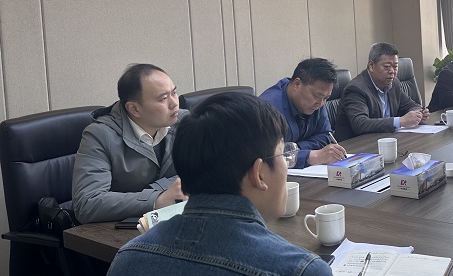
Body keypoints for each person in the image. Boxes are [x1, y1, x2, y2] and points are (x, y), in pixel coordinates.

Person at [108, 93, 332, 276]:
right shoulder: (300, 270)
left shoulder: (128, 258)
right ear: (259, 174)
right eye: (282, 154)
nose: (285, 163)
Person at [72, 64, 189, 224]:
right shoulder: (100, 135)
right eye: (163, 98)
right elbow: (87, 203)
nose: (174, 103)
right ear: (134, 109)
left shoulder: (183, 121)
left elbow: (210, 169)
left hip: (171, 221)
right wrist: (157, 199)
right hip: (118, 231)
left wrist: (161, 192)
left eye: (174, 93)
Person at [259, 58, 347, 168]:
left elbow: (325, 136)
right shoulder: (267, 109)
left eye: (326, 98)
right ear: (297, 84)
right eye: (316, 96)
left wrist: (295, 149)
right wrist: (311, 156)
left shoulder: (318, 102)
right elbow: (268, 156)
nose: (320, 104)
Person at [335, 42, 429, 140]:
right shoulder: (356, 89)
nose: (392, 71)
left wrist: (418, 113)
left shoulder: (394, 83)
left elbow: (410, 104)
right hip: (357, 145)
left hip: (385, 139)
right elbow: (361, 124)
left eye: (395, 66)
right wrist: (400, 121)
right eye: (387, 66)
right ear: (371, 66)